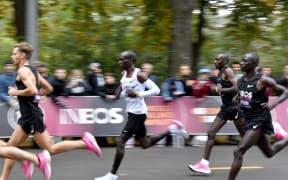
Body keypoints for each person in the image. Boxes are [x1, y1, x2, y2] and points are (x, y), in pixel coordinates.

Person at [0, 42, 102, 180]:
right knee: (10, 148)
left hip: (31, 116)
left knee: (50, 149)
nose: (12, 56)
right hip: (28, 114)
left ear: (22, 55)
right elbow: (48, 88)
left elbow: (32, 90)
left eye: (14, 53)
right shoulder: (33, 70)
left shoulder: (23, 71)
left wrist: (15, 92)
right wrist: (35, 98)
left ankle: (84, 142)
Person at [94, 50, 188, 180]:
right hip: (134, 113)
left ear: (131, 60)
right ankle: (172, 129)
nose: (119, 62)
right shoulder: (125, 75)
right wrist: (116, 93)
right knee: (145, 144)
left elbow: (156, 90)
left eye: (122, 60)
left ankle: (112, 175)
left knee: (121, 142)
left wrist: (137, 94)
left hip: (137, 113)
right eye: (119, 59)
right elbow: (121, 93)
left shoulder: (139, 75)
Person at [227, 52, 288, 180]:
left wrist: (273, 104)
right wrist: (237, 98)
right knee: (270, 153)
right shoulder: (240, 80)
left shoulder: (263, 79)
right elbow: (241, 94)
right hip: (248, 119)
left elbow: (285, 91)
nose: (241, 63)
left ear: (254, 64)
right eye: (241, 60)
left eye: (245, 61)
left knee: (238, 151)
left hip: (259, 120)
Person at [189, 54, 244, 175]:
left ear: (224, 61)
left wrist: (220, 90)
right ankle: (204, 164)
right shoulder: (219, 73)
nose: (215, 61)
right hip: (225, 109)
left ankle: (269, 133)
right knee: (211, 133)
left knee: (246, 137)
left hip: (234, 109)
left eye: (218, 59)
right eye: (215, 59)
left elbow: (236, 87)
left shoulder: (228, 71)